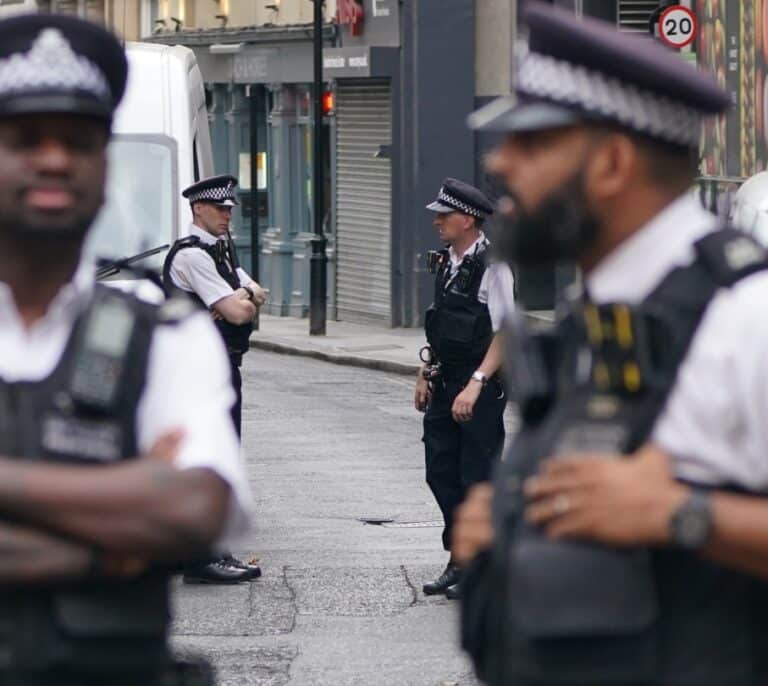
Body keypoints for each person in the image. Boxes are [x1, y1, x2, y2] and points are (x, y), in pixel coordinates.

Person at [454, 3, 768, 686]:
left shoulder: (748, 314)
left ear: (614, 162)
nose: (501, 163)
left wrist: (683, 516)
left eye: (532, 144)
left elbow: (649, 512)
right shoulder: (601, 309)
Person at [0, 12, 252, 686]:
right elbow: (155, 512)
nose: (53, 159)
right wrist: (107, 537)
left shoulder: (164, 333)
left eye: (78, 141)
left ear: (105, 165)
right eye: (26, 139)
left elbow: (198, 509)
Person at [163, 175, 265, 584]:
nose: (227, 215)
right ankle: (203, 556)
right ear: (197, 210)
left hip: (221, 363)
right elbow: (242, 310)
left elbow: (257, 294)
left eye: (229, 209)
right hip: (199, 368)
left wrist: (236, 301)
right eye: (220, 209)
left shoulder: (219, 251)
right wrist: (236, 302)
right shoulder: (193, 256)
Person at [416, 177, 514, 600]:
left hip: (480, 384)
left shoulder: (495, 266)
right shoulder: (447, 262)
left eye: (445, 215)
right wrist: (424, 372)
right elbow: (440, 324)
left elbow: (508, 332)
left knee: (476, 476)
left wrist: (476, 383)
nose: (438, 221)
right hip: (445, 380)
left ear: (469, 219)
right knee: (440, 472)